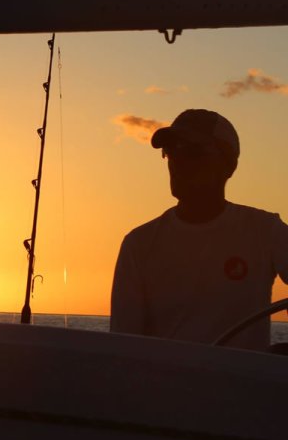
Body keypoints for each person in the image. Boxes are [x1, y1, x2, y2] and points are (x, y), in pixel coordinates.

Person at [110, 109, 288, 351]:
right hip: (164, 387)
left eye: (192, 151)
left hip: (242, 387)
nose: (178, 161)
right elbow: (123, 348)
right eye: (171, 151)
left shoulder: (265, 231)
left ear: (227, 166)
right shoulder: (138, 245)